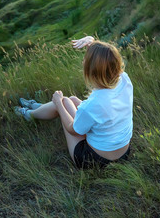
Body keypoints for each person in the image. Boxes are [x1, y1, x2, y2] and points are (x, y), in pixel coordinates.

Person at [14, 36, 133, 169]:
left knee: (64, 102)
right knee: (72, 100)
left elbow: (72, 129)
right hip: (123, 153)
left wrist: (58, 104)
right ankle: (37, 109)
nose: (83, 61)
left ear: (92, 71)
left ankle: (31, 114)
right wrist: (93, 44)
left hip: (95, 160)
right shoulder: (124, 79)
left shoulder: (94, 104)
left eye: (85, 60)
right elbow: (107, 62)